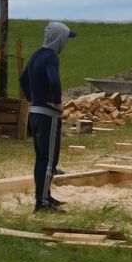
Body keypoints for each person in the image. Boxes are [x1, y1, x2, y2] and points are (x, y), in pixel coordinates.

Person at [20, 21, 76, 213]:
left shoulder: (36, 55)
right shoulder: (51, 57)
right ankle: (42, 202)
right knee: (49, 159)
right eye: (66, 39)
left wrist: (32, 99)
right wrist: (57, 102)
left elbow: (22, 79)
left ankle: (46, 196)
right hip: (47, 116)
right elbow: (53, 79)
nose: (66, 44)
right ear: (58, 39)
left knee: (42, 158)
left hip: (35, 112)